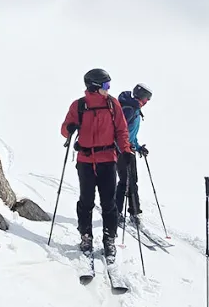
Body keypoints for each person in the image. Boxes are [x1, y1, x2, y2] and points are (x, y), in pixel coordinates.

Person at [60, 68, 133, 257]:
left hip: (108, 160)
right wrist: (70, 128)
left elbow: (122, 130)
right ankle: (86, 236)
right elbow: (64, 130)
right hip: (85, 160)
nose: (109, 89)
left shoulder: (112, 104)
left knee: (109, 202)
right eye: (106, 85)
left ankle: (109, 239)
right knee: (86, 201)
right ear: (95, 86)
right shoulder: (79, 106)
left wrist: (126, 151)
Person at [115, 83, 152, 227]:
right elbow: (119, 132)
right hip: (121, 150)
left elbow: (131, 134)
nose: (147, 101)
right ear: (141, 97)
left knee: (132, 181)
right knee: (125, 181)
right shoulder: (129, 110)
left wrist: (137, 147)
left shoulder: (134, 110)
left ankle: (134, 211)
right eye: (147, 98)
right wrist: (122, 148)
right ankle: (117, 211)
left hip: (128, 149)